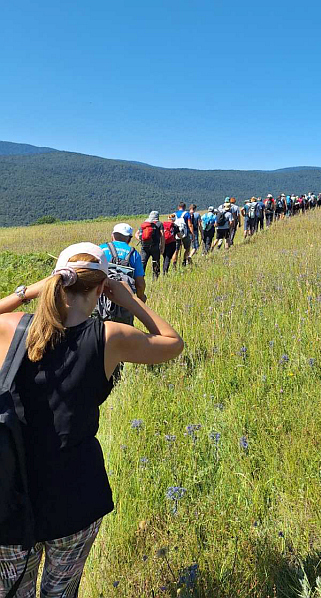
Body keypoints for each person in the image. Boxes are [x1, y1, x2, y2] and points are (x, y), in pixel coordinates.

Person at [0, 243, 183, 598]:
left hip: (10, 497)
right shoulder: (109, 337)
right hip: (75, 498)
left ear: (55, 282)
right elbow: (172, 343)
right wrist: (129, 301)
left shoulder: (11, 330)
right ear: (101, 289)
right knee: (60, 591)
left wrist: (28, 292)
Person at [101, 222, 146, 304]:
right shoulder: (134, 254)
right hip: (125, 300)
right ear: (129, 239)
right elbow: (139, 283)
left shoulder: (101, 249)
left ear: (112, 235)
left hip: (101, 298)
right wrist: (141, 297)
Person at [136, 210, 164, 280]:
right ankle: (155, 278)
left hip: (144, 247)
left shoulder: (144, 224)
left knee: (143, 262)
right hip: (155, 246)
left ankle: (140, 278)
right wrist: (162, 246)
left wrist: (142, 240)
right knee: (156, 262)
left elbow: (136, 234)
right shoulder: (159, 224)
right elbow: (162, 236)